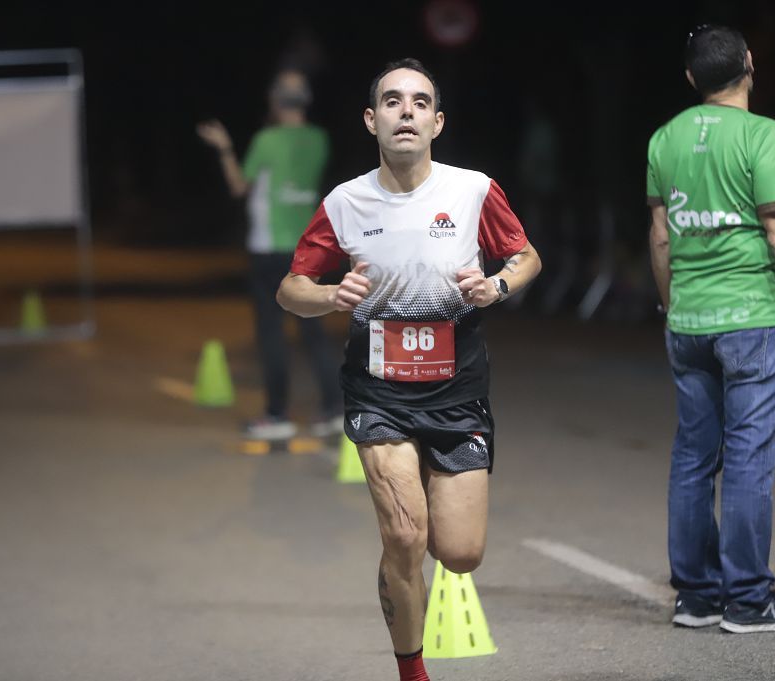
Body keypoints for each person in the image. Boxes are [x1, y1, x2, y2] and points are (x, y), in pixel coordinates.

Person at [277, 58, 540, 681]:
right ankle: (411, 668)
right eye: (392, 102)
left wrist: (496, 286)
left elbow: (526, 257)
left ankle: (416, 530)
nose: (406, 112)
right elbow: (291, 288)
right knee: (404, 535)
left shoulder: (473, 190)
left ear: (437, 122)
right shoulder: (344, 203)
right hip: (378, 392)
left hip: (458, 390)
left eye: (420, 103)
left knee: (460, 552)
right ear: (372, 121)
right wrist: (328, 296)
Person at [646, 25, 775, 634]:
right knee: (747, 463)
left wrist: (671, 307)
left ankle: (696, 596)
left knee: (692, 459)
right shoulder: (763, 135)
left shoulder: (664, 139)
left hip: (688, 321)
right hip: (752, 321)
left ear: (691, 79)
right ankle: (747, 599)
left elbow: (660, 236)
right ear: (749, 64)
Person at [197, 68, 342, 440]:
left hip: (268, 248)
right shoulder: (319, 139)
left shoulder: (266, 139)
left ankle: (278, 416)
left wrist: (225, 148)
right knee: (313, 330)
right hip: (307, 249)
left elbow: (238, 186)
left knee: (272, 334)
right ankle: (332, 412)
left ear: (276, 102)